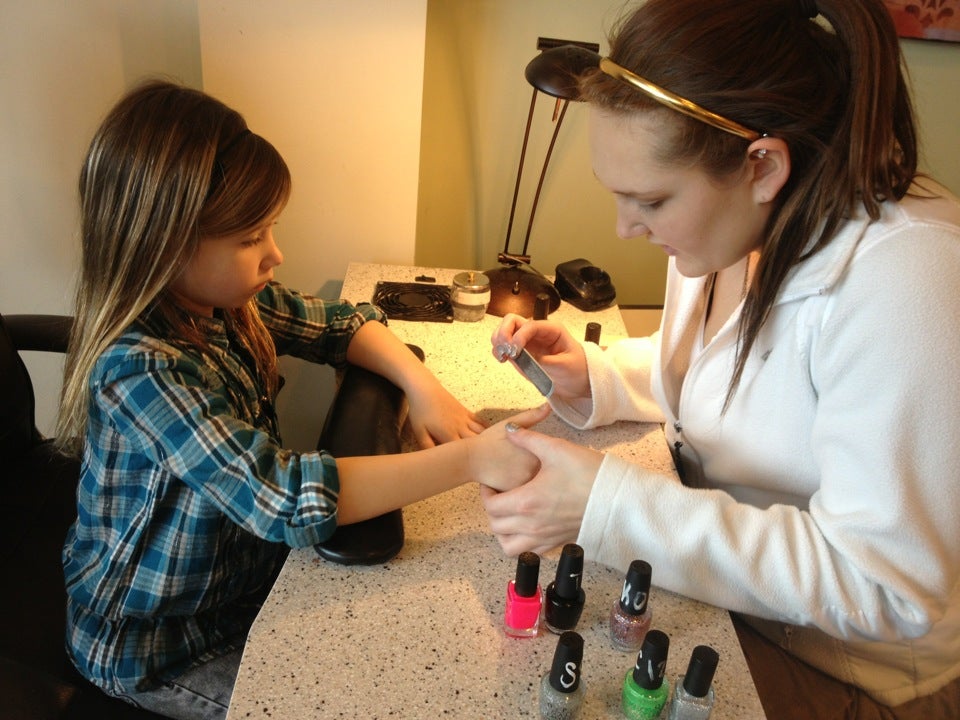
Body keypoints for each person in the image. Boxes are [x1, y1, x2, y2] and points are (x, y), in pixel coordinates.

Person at [483, 0, 960, 717]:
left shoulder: (907, 281)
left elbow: (886, 587)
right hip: (735, 605)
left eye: (650, 200)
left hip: (846, 666)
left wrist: (610, 505)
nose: (625, 227)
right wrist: (601, 376)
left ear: (762, 165)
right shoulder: (741, 220)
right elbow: (733, 374)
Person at [56, 79, 547, 720]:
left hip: (237, 588)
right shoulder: (140, 371)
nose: (275, 255)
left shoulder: (226, 303)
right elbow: (283, 495)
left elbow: (343, 325)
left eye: (270, 229)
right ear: (164, 246)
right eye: (249, 239)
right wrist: (472, 460)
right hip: (158, 646)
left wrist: (422, 386)